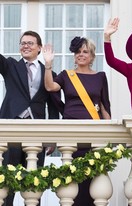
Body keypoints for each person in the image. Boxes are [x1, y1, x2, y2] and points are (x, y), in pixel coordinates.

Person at [43, 36, 111, 206]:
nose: (81, 55)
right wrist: (48, 64)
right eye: (78, 52)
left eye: (85, 52)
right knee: (73, 178)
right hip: (71, 131)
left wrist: (109, 131)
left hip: (94, 132)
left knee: (94, 177)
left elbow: (104, 105)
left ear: (92, 56)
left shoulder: (100, 76)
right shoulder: (67, 75)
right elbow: (50, 87)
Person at [0, 30, 61, 206]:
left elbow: (54, 107)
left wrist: (52, 137)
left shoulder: (49, 72)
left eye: (30, 43)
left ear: (39, 48)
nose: (25, 46)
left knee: (35, 183)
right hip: (11, 128)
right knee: (7, 181)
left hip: (37, 132)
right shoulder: (11, 66)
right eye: (23, 43)